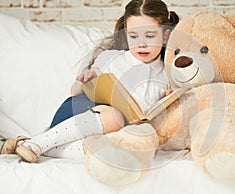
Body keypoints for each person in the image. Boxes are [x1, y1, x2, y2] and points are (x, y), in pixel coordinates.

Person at [0, 0, 179, 163]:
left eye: (149, 36)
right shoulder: (111, 58)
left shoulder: (167, 73)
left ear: (164, 36)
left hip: (114, 133)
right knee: (114, 117)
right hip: (80, 113)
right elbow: (75, 91)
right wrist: (85, 81)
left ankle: (29, 146)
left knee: (129, 147)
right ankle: (39, 142)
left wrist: (169, 101)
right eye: (133, 36)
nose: (141, 44)